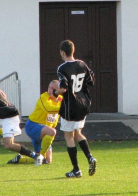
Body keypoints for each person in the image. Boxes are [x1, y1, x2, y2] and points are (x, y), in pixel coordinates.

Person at [53, 40, 97, 178]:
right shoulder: (82, 64)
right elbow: (91, 82)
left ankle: (76, 169)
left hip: (70, 106)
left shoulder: (62, 68)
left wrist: (55, 93)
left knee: (68, 136)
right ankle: (90, 157)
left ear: (62, 52)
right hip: (83, 103)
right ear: (73, 50)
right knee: (77, 133)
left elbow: (64, 88)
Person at [7, 80, 62, 164]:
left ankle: (19, 159)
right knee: (52, 132)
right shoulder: (44, 97)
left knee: (47, 161)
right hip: (33, 126)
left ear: (59, 90)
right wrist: (64, 109)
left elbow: (56, 117)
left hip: (45, 131)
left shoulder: (61, 100)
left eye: (53, 89)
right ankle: (41, 155)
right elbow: (49, 109)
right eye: (49, 88)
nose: (50, 90)